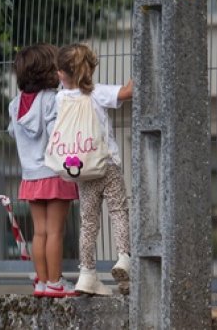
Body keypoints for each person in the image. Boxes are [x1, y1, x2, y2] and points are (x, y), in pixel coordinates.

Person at [55, 43, 133, 295]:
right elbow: (127, 93)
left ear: (61, 74)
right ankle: (124, 257)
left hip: (80, 168)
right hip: (107, 163)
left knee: (88, 222)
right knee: (119, 211)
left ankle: (87, 273)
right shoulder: (98, 93)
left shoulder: (60, 97)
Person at [8, 43, 79, 298]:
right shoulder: (52, 100)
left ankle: (41, 282)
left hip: (30, 177)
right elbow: (55, 135)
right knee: (55, 231)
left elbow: (12, 131)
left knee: (39, 232)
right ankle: (56, 282)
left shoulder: (15, 105)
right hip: (55, 174)